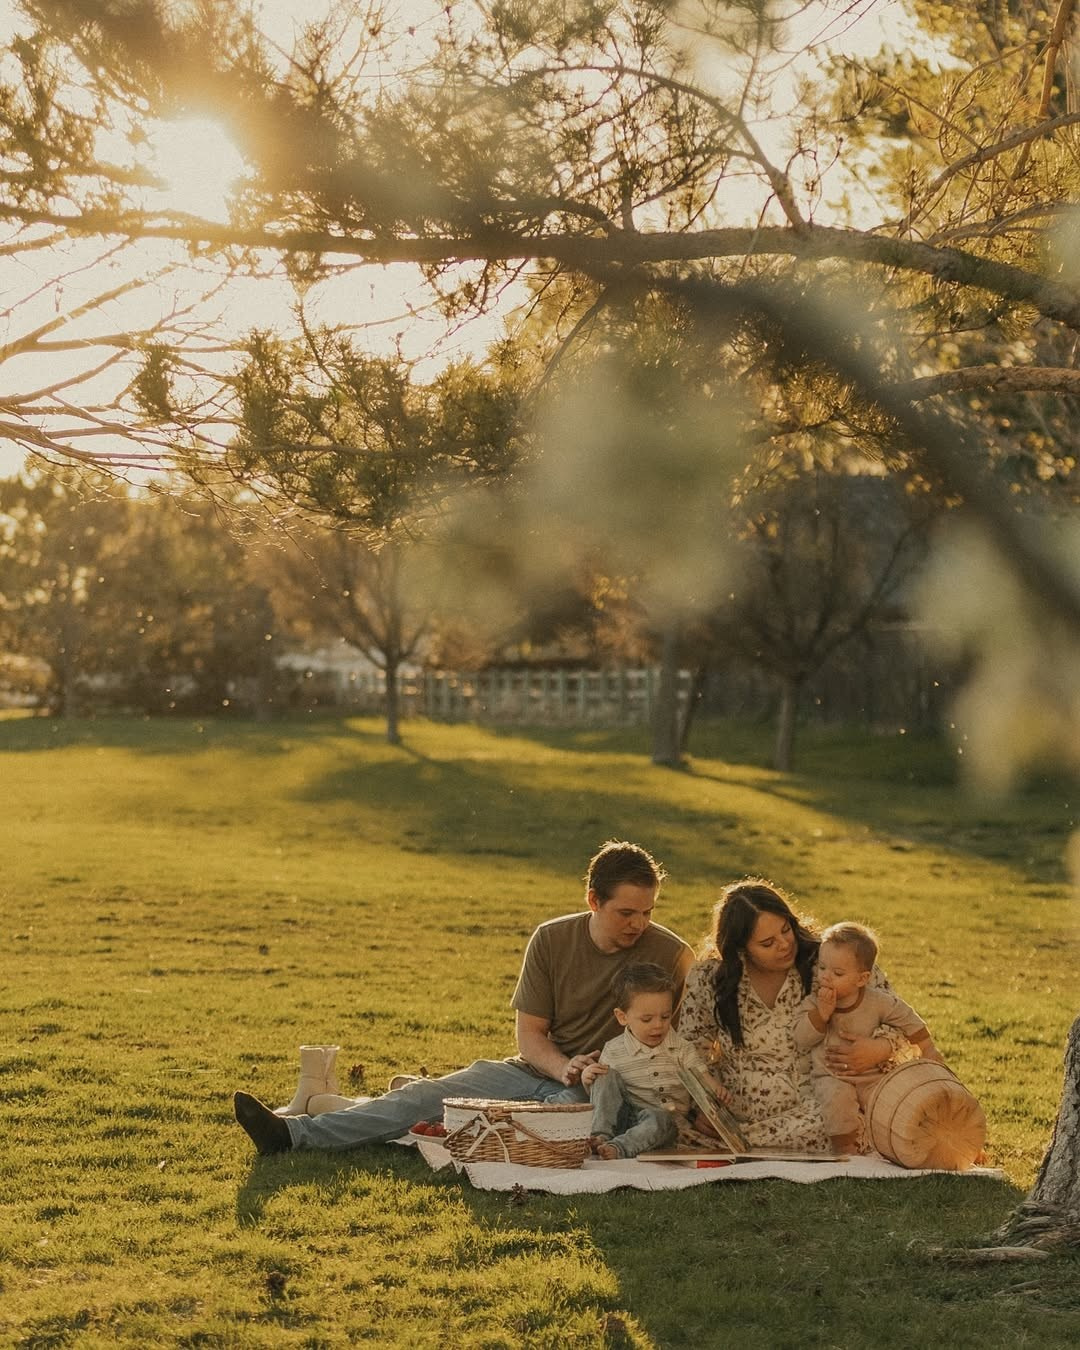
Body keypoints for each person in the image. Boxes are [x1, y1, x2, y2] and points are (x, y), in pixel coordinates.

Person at [233, 839, 695, 1154]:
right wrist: (564, 1066)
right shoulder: (552, 939)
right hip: (538, 1069)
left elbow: (686, 1044)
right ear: (594, 900)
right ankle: (293, 1135)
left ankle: (345, 1107)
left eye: (648, 912)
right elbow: (530, 1035)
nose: (639, 924)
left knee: (477, 1125)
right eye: (626, 912)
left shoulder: (673, 954)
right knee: (433, 1097)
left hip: (605, 1092)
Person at [677, 879, 939, 1150]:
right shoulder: (711, 977)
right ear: (740, 948)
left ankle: (754, 1145)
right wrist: (703, 1105)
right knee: (679, 1124)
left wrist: (881, 1047)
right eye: (767, 943)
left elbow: (897, 1014)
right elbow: (689, 1046)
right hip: (739, 1111)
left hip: (819, 1106)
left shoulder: (830, 961)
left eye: (786, 929)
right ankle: (742, 1141)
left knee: (838, 1123)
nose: (784, 944)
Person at [793, 921, 942, 1153]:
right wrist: (821, 1015)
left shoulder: (876, 1001)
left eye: (838, 973)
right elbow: (801, 1039)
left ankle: (912, 1142)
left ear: (862, 979)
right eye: (822, 968)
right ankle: (846, 1150)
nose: (826, 977)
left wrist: (929, 1050)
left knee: (891, 1105)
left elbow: (908, 1018)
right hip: (832, 1075)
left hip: (872, 1076)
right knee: (837, 1101)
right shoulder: (813, 1003)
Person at [583, 962, 730, 1159]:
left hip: (663, 1125)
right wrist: (588, 1079)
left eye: (665, 1016)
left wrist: (715, 1088)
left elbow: (700, 1074)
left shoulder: (681, 1048)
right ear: (622, 1017)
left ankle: (618, 1148)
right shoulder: (614, 1049)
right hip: (625, 1118)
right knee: (603, 1074)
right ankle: (600, 1136)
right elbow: (605, 1094)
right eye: (647, 1019)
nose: (658, 1025)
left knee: (661, 1119)